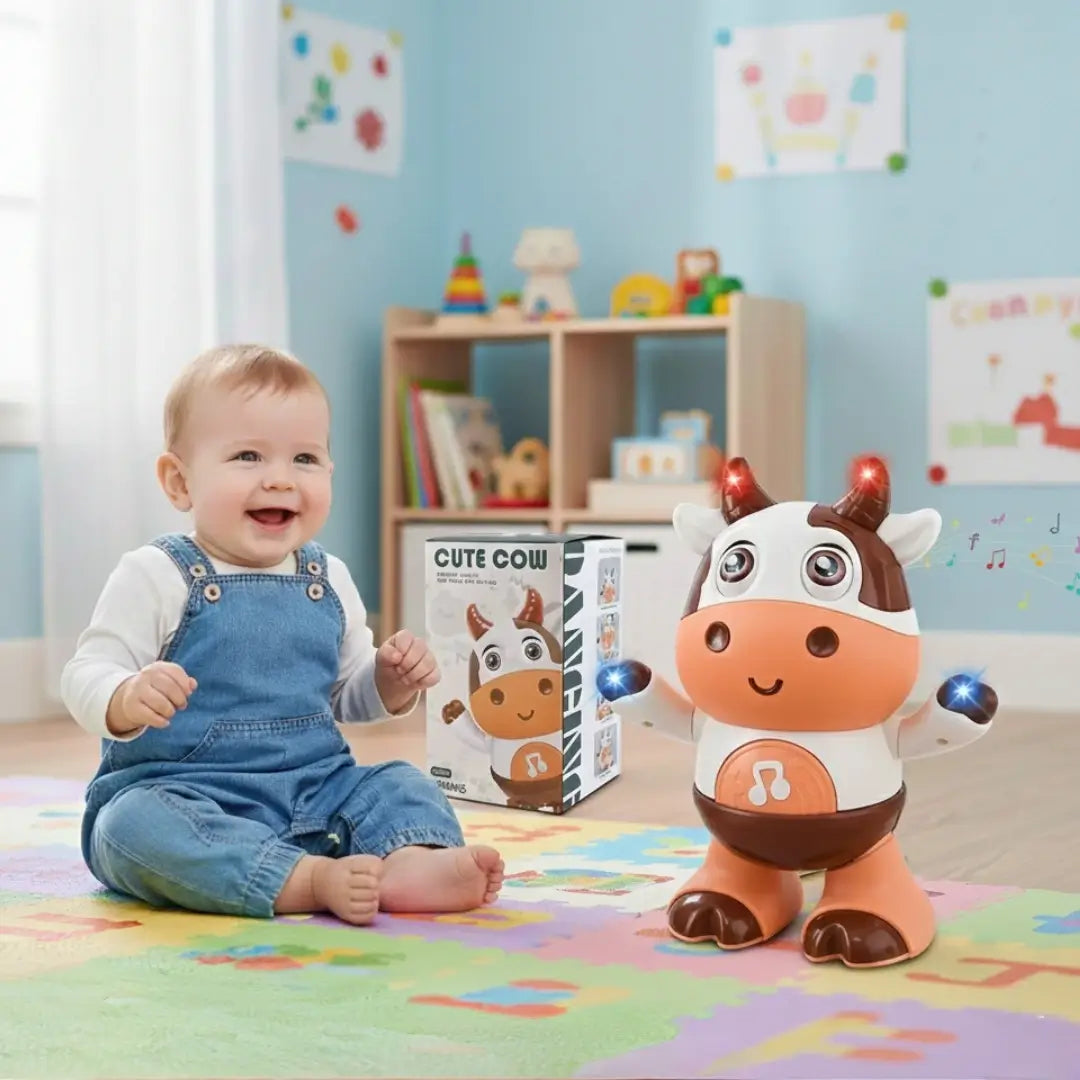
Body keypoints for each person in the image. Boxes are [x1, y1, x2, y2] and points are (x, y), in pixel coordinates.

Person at [61, 344, 504, 924]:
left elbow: (348, 695)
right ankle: (305, 880)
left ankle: (408, 862)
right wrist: (123, 696)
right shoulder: (156, 574)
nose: (279, 479)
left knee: (401, 783)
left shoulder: (327, 577)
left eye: (304, 458)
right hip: (188, 796)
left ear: (329, 472)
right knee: (128, 826)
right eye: (247, 456)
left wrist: (389, 680)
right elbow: (86, 672)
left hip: (318, 790)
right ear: (179, 481)